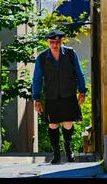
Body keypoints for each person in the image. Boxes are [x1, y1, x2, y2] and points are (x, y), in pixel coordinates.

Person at [32, 30, 87, 164]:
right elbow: (37, 79)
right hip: (51, 96)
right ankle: (56, 154)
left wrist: (82, 91)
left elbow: (79, 73)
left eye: (57, 42)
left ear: (62, 41)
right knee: (53, 125)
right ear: (48, 42)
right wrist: (37, 98)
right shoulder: (42, 57)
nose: (55, 45)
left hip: (68, 94)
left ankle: (68, 149)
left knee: (68, 123)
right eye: (52, 42)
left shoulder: (70, 53)